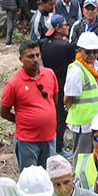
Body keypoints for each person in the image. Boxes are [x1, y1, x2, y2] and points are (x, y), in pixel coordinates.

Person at [2, 40, 59, 170]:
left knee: (48, 175)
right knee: (29, 177)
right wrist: (23, 120)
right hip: (27, 141)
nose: (35, 59)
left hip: (49, 138)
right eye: (30, 56)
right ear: (21, 59)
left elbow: (54, 99)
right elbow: (4, 112)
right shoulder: (13, 83)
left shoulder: (49, 74)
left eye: (38, 55)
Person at [65, 32, 98, 155]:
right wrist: (68, 105)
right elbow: (68, 97)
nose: (92, 55)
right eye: (88, 52)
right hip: (84, 124)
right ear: (80, 51)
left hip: (97, 122)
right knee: (83, 156)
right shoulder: (76, 70)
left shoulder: (96, 65)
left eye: (95, 51)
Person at [40, 14, 77, 155]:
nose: (68, 27)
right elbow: (73, 63)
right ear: (58, 29)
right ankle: (58, 148)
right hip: (62, 84)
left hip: (48, 83)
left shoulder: (44, 44)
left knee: (50, 114)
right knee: (61, 117)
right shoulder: (66, 46)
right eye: (65, 25)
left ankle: (49, 144)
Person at [70, 0, 98, 69]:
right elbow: (72, 43)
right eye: (87, 9)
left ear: (97, 10)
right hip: (79, 62)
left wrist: (84, 50)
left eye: (93, 9)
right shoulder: (77, 24)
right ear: (83, 10)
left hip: (97, 63)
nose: (90, 12)